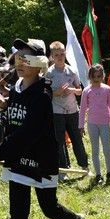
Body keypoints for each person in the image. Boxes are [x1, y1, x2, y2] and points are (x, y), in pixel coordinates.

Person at [0, 38, 84, 219]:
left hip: (40, 160)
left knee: (49, 208)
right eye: (18, 57)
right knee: (18, 212)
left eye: (27, 59)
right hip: (17, 159)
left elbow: (27, 133)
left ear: (39, 65)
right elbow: (17, 117)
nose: (20, 62)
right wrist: (4, 105)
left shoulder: (42, 95)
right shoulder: (17, 88)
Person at [45, 41, 88, 176]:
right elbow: (45, 94)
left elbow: (80, 90)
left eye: (62, 54)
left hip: (72, 110)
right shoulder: (48, 73)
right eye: (56, 55)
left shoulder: (71, 70)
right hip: (56, 111)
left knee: (76, 138)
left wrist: (73, 90)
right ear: (51, 56)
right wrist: (56, 92)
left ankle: (84, 165)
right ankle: (63, 169)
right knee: (59, 141)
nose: (60, 57)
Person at [79, 64, 110, 184]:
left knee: (107, 149)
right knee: (95, 150)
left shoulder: (107, 89)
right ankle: (98, 174)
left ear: (103, 76)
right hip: (92, 124)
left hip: (105, 123)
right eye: (94, 76)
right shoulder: (86, 91)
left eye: (99, 76)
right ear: (90, 77)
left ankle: (109, 171)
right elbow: (83, 109)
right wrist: (81, 126)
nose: (96, 79)